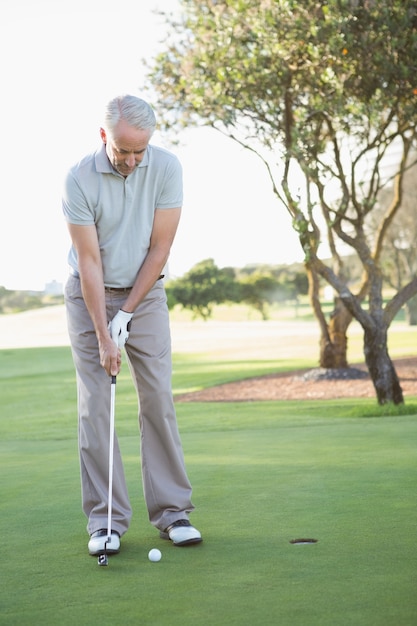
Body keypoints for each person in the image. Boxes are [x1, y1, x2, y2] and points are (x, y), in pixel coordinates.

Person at [62, 94, 202, 556]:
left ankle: (172, 512)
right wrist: (105, 332)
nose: (132, 160)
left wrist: (127, 314)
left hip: (147, 291)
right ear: (105, 137)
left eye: (140, 151)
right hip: (90, 293)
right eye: (124, 150)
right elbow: (89, 261)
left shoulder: (166, 168)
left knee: (158, 395)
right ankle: (105, 520)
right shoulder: (79, 178)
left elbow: (160, 249)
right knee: (96, 407)